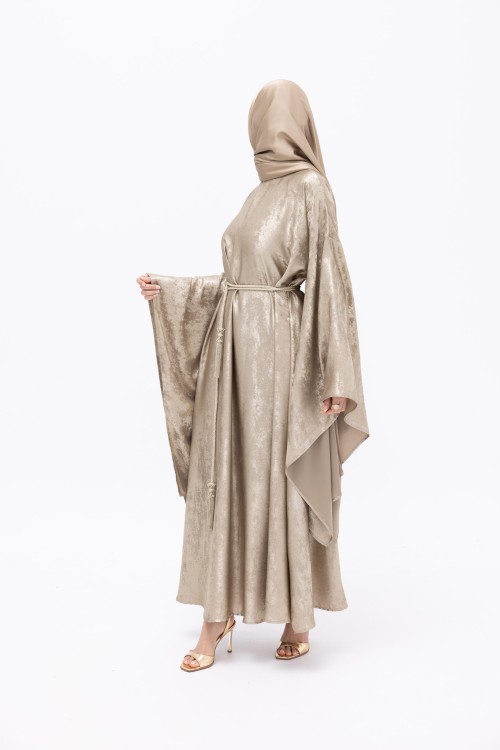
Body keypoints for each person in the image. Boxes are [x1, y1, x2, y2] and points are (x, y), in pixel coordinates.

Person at [136, 79, 369, 672]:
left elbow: (330, 282)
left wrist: (336, 376)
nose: (266, 131)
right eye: (260, 119)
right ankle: (218, 615)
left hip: (282, 360)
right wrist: (173, 292)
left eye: (275, 119)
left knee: (280, 473)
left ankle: (296, 616)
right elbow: (240, 284)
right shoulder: (257, 193)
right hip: (233, 361)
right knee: (229, 474)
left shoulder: (312, 188)